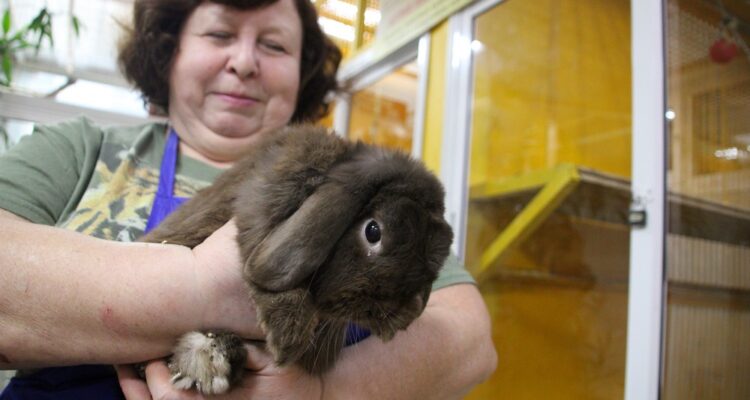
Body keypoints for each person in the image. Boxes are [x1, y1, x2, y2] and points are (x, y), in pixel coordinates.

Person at [0, 0, 497, 398]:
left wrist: (323, 391)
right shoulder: (81, 149)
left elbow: (470, 342)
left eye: (274, 45)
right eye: (219, 34)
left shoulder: (367, 183)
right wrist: (199, 286)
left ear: (302, 71)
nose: (243, 62)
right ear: (171, 50)